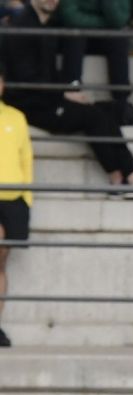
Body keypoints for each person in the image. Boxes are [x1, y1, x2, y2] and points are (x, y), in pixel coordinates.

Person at [3, 0, 133, 200]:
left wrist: (63, 93)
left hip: (47, 99)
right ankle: (126, 179)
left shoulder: (46, 24)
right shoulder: (21, 27)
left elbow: (47, 74)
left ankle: (127, 178)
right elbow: (25, 79)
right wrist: (62, 94)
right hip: (31, 105)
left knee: (106, 110)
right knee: (94, 116)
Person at [57, 0, 133, 126]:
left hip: (102, 34)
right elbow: (70, 16)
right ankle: (72, 91)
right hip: (76, 34)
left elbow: (119, 20)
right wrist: (105, 23)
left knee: (119, 41)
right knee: (74, 35)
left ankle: (121, 101)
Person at [0, 62, 33, 347]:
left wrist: (27, 198)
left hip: (13, 199)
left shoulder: (16, 117)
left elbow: (26, 160)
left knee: (1, 263)